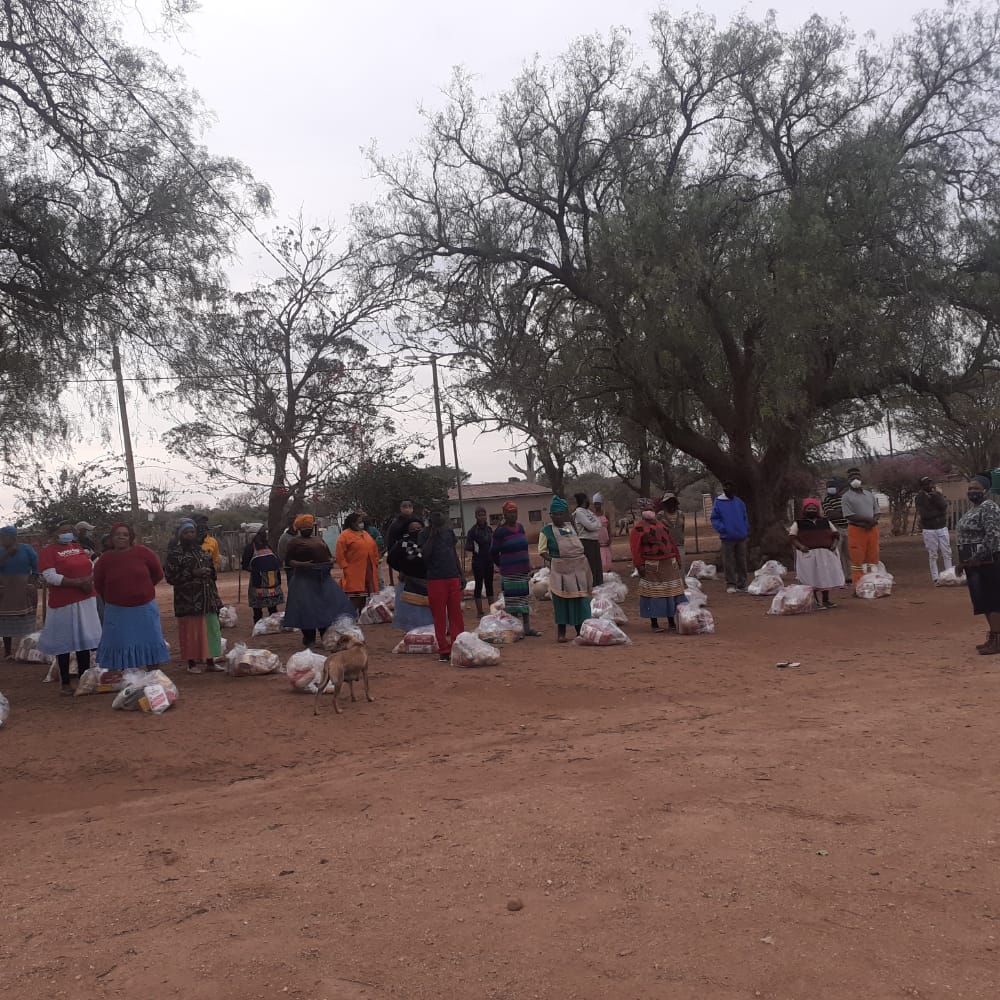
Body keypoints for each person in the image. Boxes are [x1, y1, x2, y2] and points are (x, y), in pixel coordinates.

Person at [36, 520, 102, 694]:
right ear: (54, 533)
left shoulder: (78, 547)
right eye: (64, 530)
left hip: (85, 599)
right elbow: (50, 576)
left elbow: (90, 565)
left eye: (70, 530)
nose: (68, 533)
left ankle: (83, 680)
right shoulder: (48, 552)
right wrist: (77, 583)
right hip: (64, 602)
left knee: (83, 641)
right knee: (64, 642)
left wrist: (89, 580)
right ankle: (65, 683)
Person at [93, 523, 170, 670]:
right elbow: (99, 584)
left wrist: (143, 589)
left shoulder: (144, 553)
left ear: (131, 537)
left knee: (149, 640)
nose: (121, 537)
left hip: (144, 608)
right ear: (111, 538)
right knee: (119, 642)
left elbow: (158, 574)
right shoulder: (105, 560)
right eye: (117, 534)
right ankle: (125, 677)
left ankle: (153, 675)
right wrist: (115, 596)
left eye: (125, 534)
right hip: (117, 610)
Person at [284, 514, 355, 647]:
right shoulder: (294, 542)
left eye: (310, 526)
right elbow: (288, 561)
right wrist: (303, 564)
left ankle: (325, 636)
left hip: (322, 579)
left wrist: (330, 561)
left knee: (325, 608)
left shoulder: (319, 540)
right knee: (307, 609)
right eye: (305, 527)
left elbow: (328, 556)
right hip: (304, 579)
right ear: (299, 528)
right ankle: (309, 638)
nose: (308, 529)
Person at [163, 518, 224, 673]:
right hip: (187, 601)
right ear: (179, 534)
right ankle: (191, 664)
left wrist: (209, 572)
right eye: (186, 532)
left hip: (207, 598)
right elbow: (171, 577)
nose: (190, 535)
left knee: (210, 629)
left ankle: (210, 662)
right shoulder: (175, 554)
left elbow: (212, 569)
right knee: (191, 632)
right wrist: (192, 573)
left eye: (192, 532)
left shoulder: (201, 551)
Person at [956, 474, 1000, 654]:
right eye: (969, 488)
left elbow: (992, 535)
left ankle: (997, 640)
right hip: (973, 564)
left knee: (993, 600)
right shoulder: (973, 509)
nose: (972, 491)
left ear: (985, 490)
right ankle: (993, 636)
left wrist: (976, 558)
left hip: (987, 561)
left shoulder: (989, 507)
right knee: (982, 602)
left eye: (975, 488)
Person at [539, 497, 592, 643]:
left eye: (560, 514)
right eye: (554, 514)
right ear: (550, 515)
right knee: (561, 600)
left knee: (578, 599)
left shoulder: (570, 527)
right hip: (559, 571)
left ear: (565, 514)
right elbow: (542, 551)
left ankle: (580, 631)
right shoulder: (546, 531)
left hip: (577, 569)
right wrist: (555, 561)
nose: (558, 517)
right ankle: (561, 633)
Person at [630, 506, 687, 632]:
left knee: (671, 593)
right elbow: (636, 549)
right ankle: (654, 623)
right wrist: (639, 565)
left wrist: (677, 558)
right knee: (653, 594)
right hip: (652, 565)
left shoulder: (661, 526)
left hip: (668, 564)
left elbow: (671, 542)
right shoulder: (638, 529)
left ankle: (671, 622)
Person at [420, 510, 466, 660]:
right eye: (436, 514)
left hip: (452, 576)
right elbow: (424, 555)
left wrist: (461, 574)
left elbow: (453, 553)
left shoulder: (449, 532)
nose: (438, 516)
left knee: (456, 614)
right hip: (435, 579)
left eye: (440, 514)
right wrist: (432, 536)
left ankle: (457, 644)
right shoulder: (424, 534)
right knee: (439, 617)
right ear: (430, 519)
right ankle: (443, 650)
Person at [491, 501, 541, 636]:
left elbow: (524, 547)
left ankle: (526, 628)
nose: (513, 515)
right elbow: (493, 551)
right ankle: (514, 630)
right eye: (510, 513)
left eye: (515, 513)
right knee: (512, 602)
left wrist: (528, 564)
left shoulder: (520, 528)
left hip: (523, 570)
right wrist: (501, 565)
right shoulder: (500, 532)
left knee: (524, 600)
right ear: (505, 514)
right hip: (509, 572)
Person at [788, 499, 844, 610]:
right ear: (804, 510)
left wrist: (834, 544)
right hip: (808, 554)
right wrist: (800, 546)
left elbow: (836, 534)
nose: (811, 510)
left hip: (825, 554)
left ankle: (826, 600)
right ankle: (815, 601)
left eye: (813, 509)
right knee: (811, 577)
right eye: (809, 509)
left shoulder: (825, 521)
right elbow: (792, 537)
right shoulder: (798, 523)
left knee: (825, 577)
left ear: (817, 510)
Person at [387, 519, 435, 632]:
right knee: (412, 611)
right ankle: (412, 633)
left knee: (428, 610)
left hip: (428, 581)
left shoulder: (429, 541)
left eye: (419, 528)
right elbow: (391, 559)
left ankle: (430, 630)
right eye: (412, 529)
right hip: (409, 583)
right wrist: (401, 570)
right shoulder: (403, 543)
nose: (416, 531)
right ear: (407, 531)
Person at [0, 525, 39, 660]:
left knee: (25, 619)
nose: (1, 540)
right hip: (5, 589)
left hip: (23, 588)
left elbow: (36, 566)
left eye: (3, 537)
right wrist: (6, 555)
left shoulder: (26, 549)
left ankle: (25, 651)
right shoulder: (1, 551)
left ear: (12, 538)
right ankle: (7, 651)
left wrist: (31, 583)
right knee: (6, 621)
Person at [840, 467, 880, 587]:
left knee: (873, 557)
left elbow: (876, 511)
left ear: (861, 478)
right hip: (856, 530)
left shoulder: (869, 494)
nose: (855, 479)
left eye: (857, 476)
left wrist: (873, 521)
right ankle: (859, 586)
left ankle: (874, 583)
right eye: (852, 477)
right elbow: (849, 515)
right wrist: (867, 521)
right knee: (857, 559)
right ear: (848, 480)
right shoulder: (846, 497)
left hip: (872, 530)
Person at [335, 511, 380, 611]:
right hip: (353, 570)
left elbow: (374, 548)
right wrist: (345, 567)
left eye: (362, 521)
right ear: (352, 523)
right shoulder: (344, 536)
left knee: (364, 594)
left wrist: (375, 561)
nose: (361, 523)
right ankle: (351, 615)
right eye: (359, 522)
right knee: (355, 595)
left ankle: (361, 614)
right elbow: (339, 554)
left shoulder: (365, 534)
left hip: (368, 568)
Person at [711, 482, 750, 593]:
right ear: (724, 489)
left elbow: (744, 517)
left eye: (731, 488)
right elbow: (714, 518)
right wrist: (723, 529)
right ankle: (731, 584)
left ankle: (742, 584)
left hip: (741, 536)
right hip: (727, 537)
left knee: (741, 561)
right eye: (727, 488)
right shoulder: (719, 502)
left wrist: (745, 528)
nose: (729, 490)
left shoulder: (739, 502)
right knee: (728, 561)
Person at [915, 476, 953, 585]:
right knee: (933, 554)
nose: (930, 486)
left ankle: (949, 575)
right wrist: (939, 513)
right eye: (927, 484)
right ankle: (935, 577)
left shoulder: (937, 495)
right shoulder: (919, 498)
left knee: (947, 552)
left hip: (941, 527)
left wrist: (936, 498)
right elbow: (925, 515)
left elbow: (944, 506)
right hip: (929, 529)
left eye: (930, 483)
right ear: (922, 486)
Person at [241, 529, 283, 623]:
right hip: (258, 583)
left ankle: (273, 625)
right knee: (257, 609)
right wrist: (257, 572)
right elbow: (244, 565)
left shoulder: (268, 546)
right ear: (255, 535)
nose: (264, 535)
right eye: (261, 533)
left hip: (272, 582)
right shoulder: (250, 548)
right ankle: (258, 626)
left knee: (272, 608)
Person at [464, 506, 495, 617]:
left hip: (489, 561)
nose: (482, 517)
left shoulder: (489, 529)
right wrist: (474, 546)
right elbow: (467, 546)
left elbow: (493, 544)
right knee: (479, 585)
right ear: (476, 516)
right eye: (480, 515)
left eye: (484, 515)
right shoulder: (472, 531)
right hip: (478, 562)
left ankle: (492, 611)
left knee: (489, 585)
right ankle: (480, 612)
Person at [821, 479, 851, 581]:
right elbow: (831, 515)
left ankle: (849, 576)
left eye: (833, 486)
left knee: (848, 553)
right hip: (835, 529)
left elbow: (850, 513)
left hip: (847, 528)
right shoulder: (826, 501)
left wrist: (838, 512)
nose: (831, 489)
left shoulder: (844, 499)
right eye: (829, 486)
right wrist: (843, 511)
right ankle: (838, 576)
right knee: (837, 553)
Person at [572, 493, 604, 587]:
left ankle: (599, 583)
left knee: (598, 564)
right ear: (584, 500)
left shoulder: (589, 512)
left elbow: (599, 523)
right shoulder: (579, 512)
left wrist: (593, 526)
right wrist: (593, 526)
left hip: (594, 541)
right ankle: (591, 584)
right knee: (590, 564)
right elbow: (590, 526)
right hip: (586, 541)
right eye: (587, 499)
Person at [656, 492, 686, 574]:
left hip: (679, 544)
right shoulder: (660, 515)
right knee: (668, 569)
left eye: (672, 502)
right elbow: (657, 531)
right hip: (666, 546)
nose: (671, 504)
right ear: (665, 504)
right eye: (668, 502)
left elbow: (682, 529)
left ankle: (681, 585)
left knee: (681, 567)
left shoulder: (681, 514)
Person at [592, 493, 613, 573]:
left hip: (605, 539)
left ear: (601, 504)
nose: (597, 506)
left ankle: (608, 570)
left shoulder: (605, 513)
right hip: (597, 539)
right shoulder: (592, 515)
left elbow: (609, 527)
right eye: (595, 504)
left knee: (607, 556)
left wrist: (610, 537)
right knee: (600, 557)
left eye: (598, 504)